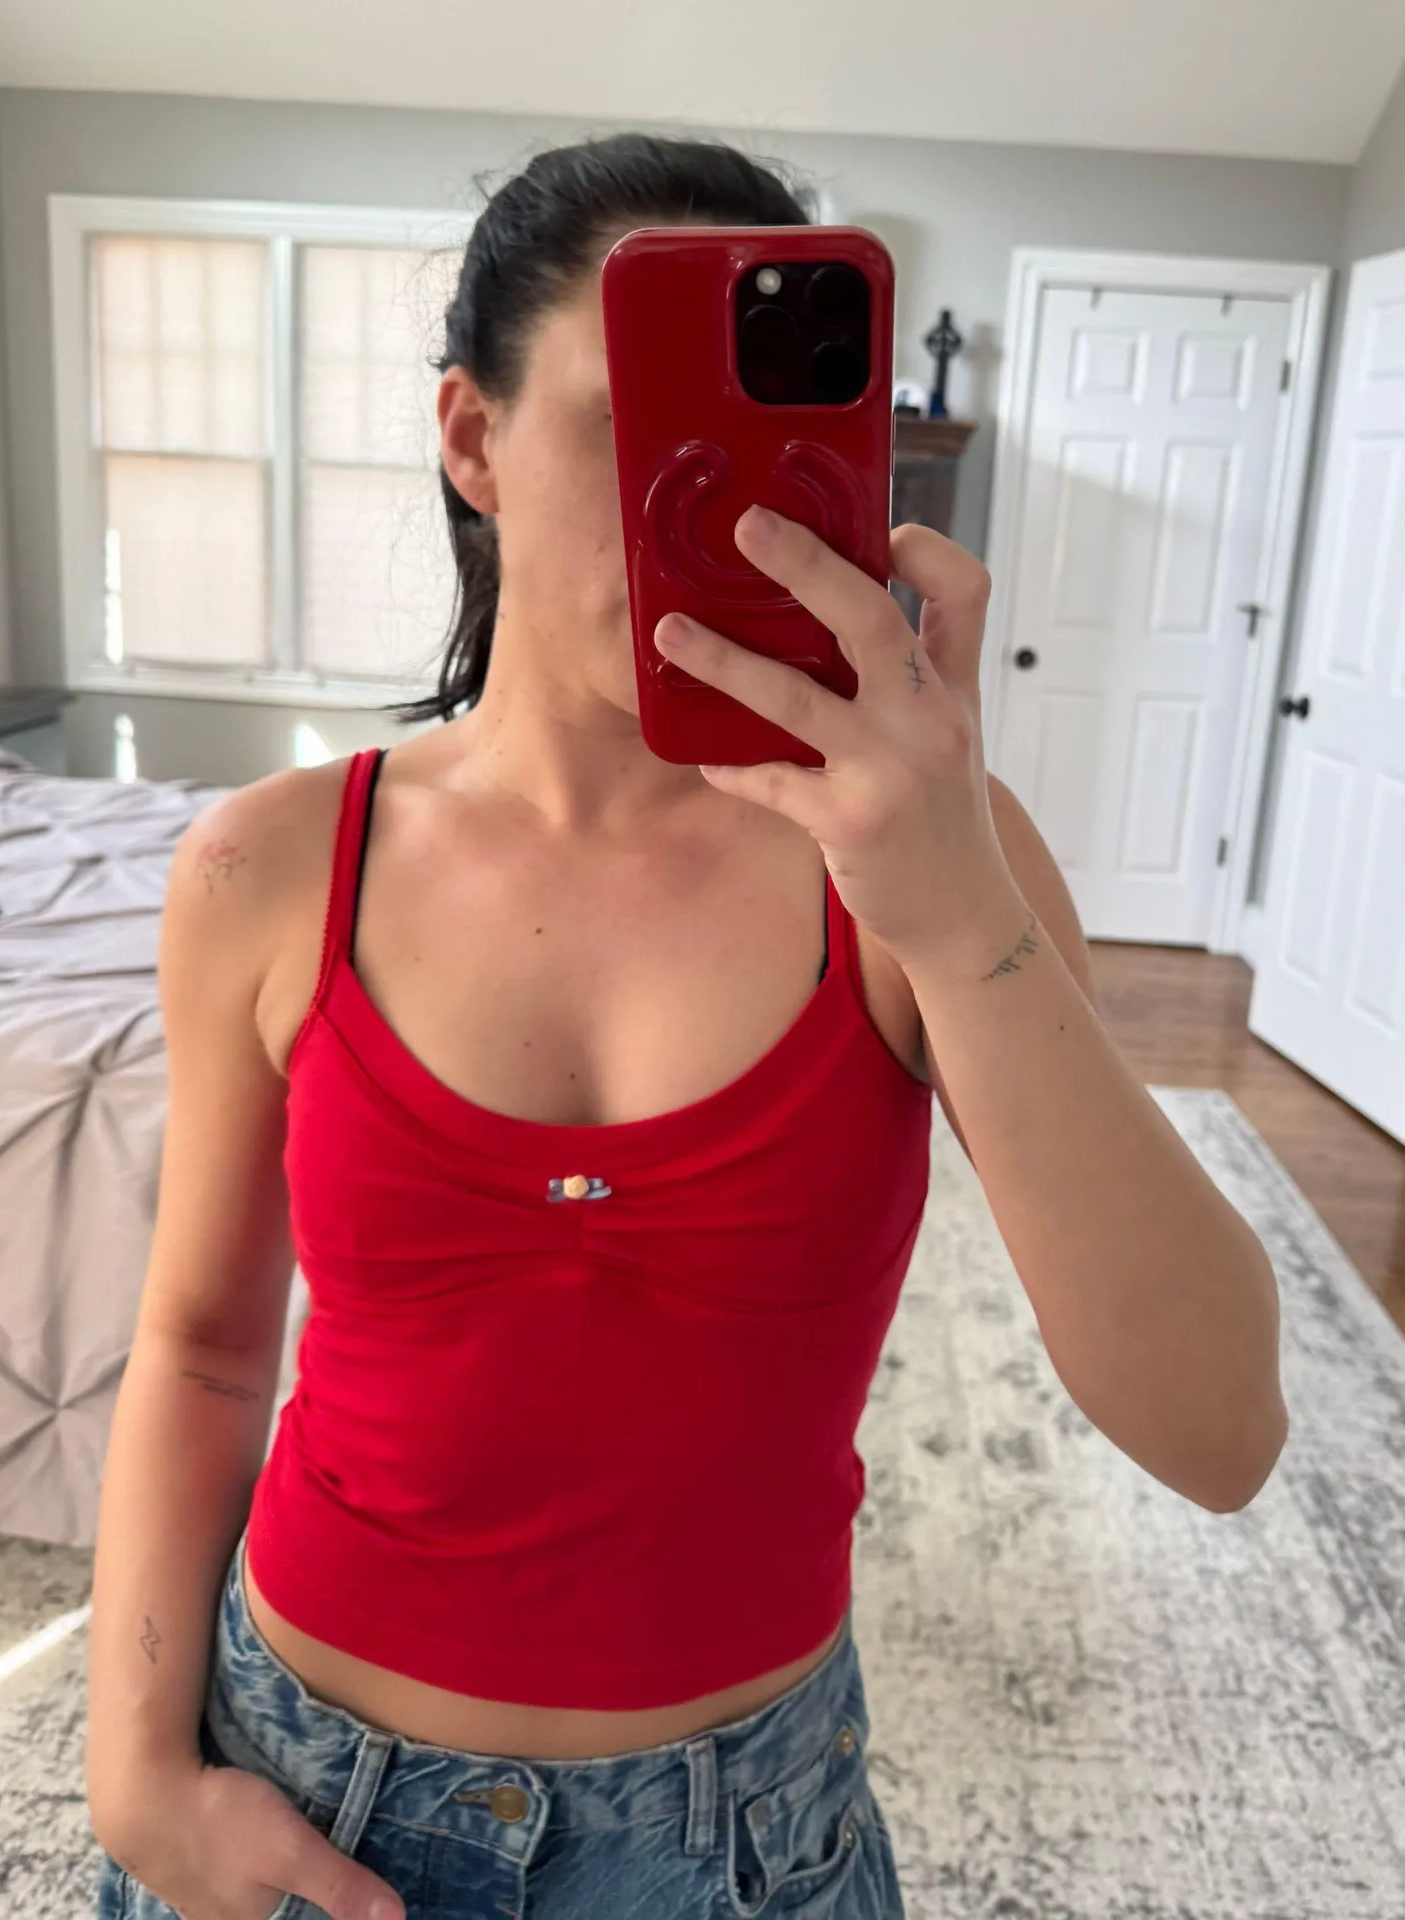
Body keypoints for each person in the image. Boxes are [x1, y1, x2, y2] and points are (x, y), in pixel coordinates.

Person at [85, 130, 1287, 1920]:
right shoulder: (267, 867)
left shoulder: (931, 872)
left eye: (756, 448)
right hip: (302, 1792)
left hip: (745, 1845)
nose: (710, 514)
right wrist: (136, 1780)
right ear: (472, 440)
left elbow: (1219, 1431)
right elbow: (197, 1350)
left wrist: (957, 914)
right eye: (625, 427)